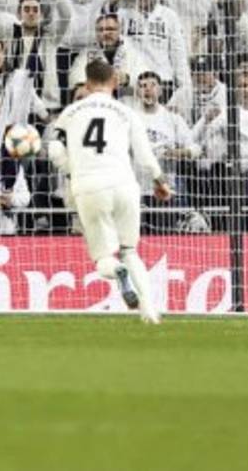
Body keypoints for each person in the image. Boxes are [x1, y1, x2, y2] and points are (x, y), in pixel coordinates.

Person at [47, 60, 172, 325]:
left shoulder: (71, 112)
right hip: (124, 184)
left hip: (89, 186)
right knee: (130, 249)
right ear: (114, 81)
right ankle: (149, 311)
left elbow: (55, 150)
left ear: (87, 83)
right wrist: (160, 181)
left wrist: (72, 169)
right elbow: (144, 154)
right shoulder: (126, 112)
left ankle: (117, 272)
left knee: (104, 258)